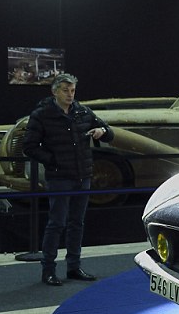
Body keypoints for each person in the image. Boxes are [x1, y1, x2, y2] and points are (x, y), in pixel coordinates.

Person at [22, 73, 113, 286]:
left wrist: (102, 131)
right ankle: (48, 270)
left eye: (72, 90)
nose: (70, 94)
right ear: (55, 91)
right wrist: (53, 161)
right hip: (59, 178)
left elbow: (109, 133)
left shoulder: (82, 111)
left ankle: (74, 267)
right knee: (57, 223)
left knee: (77, 223)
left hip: (83, 177)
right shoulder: (42, 115)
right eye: (65, 90)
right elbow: (29, 146)